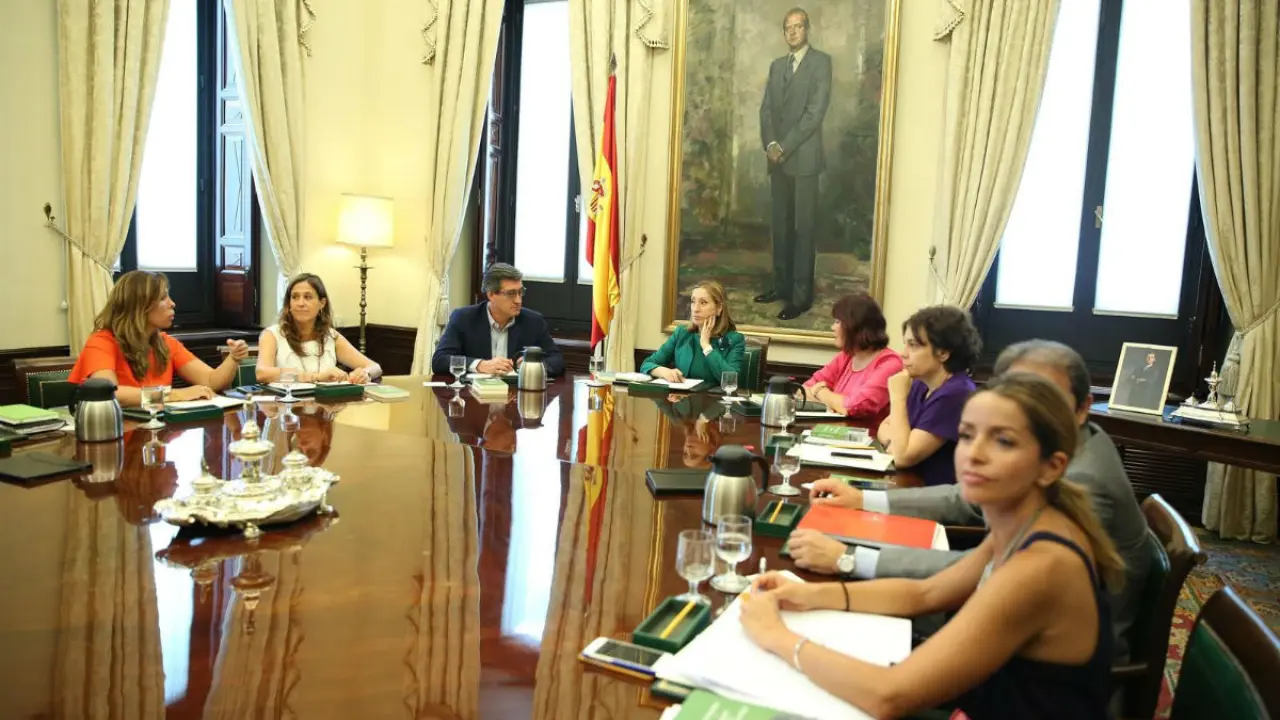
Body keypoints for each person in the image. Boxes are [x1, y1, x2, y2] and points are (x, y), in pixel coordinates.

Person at [741, 372, 1123, 719]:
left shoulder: (1042, 564)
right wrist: (807, 594)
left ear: (1052, 467)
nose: (973, 453)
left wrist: (777, 637)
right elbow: (926, 593)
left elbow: (889, 696)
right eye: (967, 435)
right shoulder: (1023, 524)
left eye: (1003, 441)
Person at [791, 340, 1150, 660]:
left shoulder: (1079, 486)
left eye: (1046, 399)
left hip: (1034, 658)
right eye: (1016, 396)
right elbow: (960, 517)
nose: (1027, 411)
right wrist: (863, 501)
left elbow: (896, 690)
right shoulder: (1055, 449)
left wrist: (848, 559)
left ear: (1082, 408)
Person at [753, 6, 832, 321]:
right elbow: (766, 111)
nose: (793, 32)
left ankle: (800, 298)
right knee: (782, 227)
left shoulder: (821, 63)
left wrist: (784, 145)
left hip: (805, 160)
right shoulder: (776, 66)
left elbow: (815, 113)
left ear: (807, 29)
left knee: (803, 229)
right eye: (788, 27)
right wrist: (771, 145)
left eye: (798, 26)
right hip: (778, 160)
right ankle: (781, 286)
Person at [68, 270, 249, 406]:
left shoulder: (165, 343)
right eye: (163, 298)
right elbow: (110, 393)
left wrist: (233, 358)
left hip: (158, 432)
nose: (172, 303)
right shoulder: (101, 342)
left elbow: (211, 381)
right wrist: (173, 395)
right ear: (139, 306)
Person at [877, 305, 980, 486]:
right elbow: (884, 427)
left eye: (913, 345)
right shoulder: (921, 384)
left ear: (943, 353)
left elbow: (902, 457)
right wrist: (895, 444)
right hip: (909, 486)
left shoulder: (956, 394)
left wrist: (897, 397)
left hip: (938, 497)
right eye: (905, 344)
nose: (903, 354)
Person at [431, 263, 564, 377]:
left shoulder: (533, 321)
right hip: (474, 394)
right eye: (511, 294)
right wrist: (480, 365)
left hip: (516, 395)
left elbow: (557, 361)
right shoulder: (463, 318)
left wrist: (532, 366)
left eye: (520, 292)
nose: (518, 300)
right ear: (491, 294)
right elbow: (440, 360)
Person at [257, 273, 383, 385]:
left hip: (325, 402)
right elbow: (262, 374)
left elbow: (375, 367)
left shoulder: (331, 336)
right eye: (295, 297)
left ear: (322, 303)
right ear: (289, 304)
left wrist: (365, 374)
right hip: (286, 403)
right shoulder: (272, 335)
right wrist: (315, 377)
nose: (300, 303)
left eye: (307, 297)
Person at [804, 293, 902, 419]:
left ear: (854, 325)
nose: (833, 327)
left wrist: (820, 391)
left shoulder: (889, 363)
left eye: (838, 321)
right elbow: (803, 390)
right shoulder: (846, 356)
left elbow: (856, 407)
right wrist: (834, 403)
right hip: (832, 430)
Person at [640, 280, 745, 384]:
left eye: (703, 302)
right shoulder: (682, 333)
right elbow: (647, 364)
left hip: (712, 395)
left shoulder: (734, 340)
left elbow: (730, 381)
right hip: (680, 394)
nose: (695, 309)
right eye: (693, 302)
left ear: (718, 308)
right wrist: (664, 372)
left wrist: (706, 346)